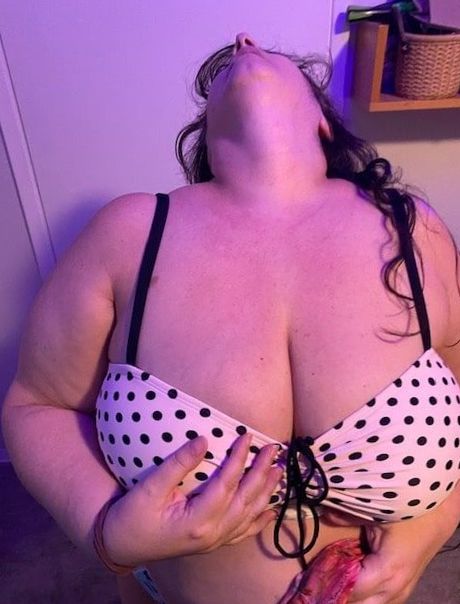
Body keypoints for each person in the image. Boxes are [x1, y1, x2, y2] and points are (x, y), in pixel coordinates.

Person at [2, 31, 460, 604]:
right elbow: (35, 403)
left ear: (323, 123)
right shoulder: (132, 233)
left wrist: (439, 516)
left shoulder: (411, 228)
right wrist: (106, 531)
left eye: (276, 56)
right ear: (207, 140)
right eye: (217, 79)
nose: (244, 41)